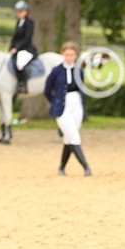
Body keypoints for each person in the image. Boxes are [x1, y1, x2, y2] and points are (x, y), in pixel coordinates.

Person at [44, 42, 92, 176]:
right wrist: (54, 102)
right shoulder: (56, 71)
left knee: (69, 137)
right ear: (62, 55)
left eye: (72, 55)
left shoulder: (79, 71)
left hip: (76, 104)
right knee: (74, 136)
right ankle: (86, 166)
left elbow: (81, 88)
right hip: (62, 105)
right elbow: (47, 90)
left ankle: (61, 167)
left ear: (75, 56)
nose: (69, 57)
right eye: (67, 55)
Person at [9, 0, 37, 94]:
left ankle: (22, 84)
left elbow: (27, 38)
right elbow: (15, 37)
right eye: (17, 11)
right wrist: (10, 48)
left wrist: (17, 48)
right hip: (16, 49)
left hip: (26, 49)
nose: (18, 14)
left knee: (20, 64)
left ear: (26, 12)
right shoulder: (18, 23)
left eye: (20, 11)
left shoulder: (30, 23)